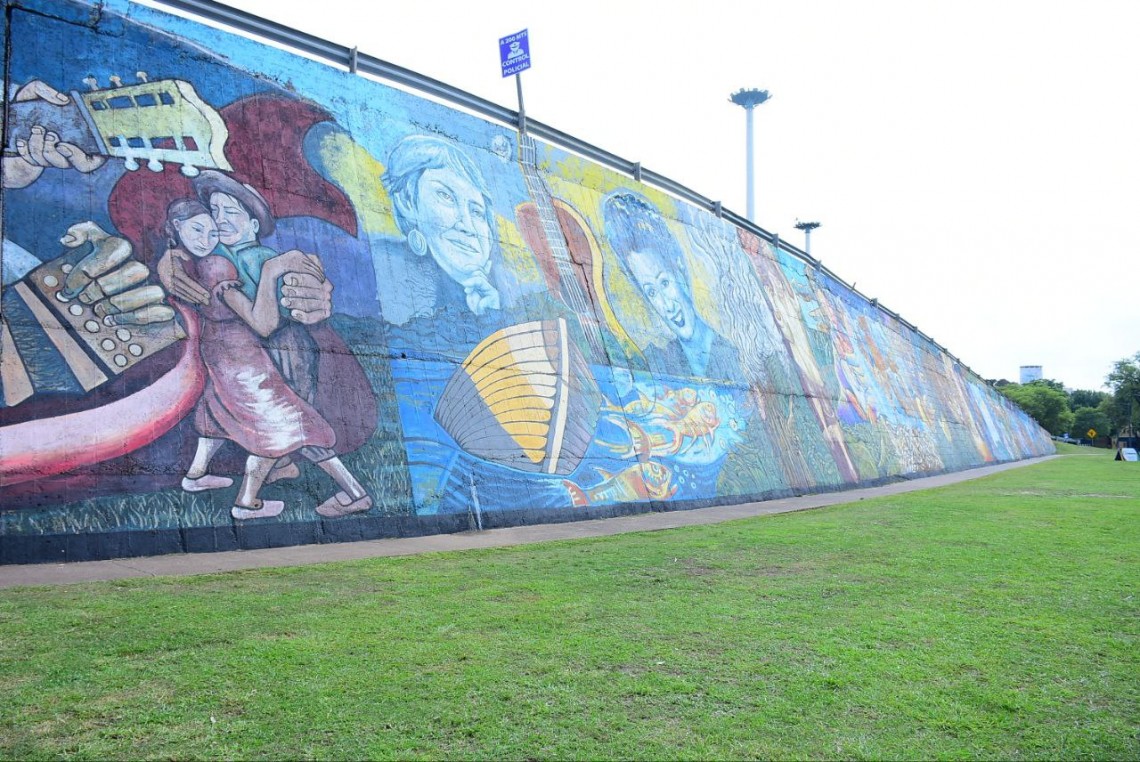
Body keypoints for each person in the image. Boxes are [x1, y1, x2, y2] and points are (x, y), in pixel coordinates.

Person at [163, 199, 372, 520]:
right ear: (178, 228)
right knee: (287, 424)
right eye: (203, 225)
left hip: (231, 355)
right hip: (243, 360)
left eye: (220, 222)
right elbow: (263, 323)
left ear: (254, 225)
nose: (211, 232)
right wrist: (272, 270)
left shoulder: (205, 260)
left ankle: (199, 475)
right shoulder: (218, 265)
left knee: (223, 413)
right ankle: (250, 501)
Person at [601, 192, 740, 380]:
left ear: (680, 269)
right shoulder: (655, 361)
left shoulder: (732, 356)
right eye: (651, 292)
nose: (667, 305)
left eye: (665, 283)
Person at [379, 134, 502, 322]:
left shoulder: (492, 297)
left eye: (477, 212)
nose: (467, 226)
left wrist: (491, 314)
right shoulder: (385, 269)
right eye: (446, 196)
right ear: (407, 201)